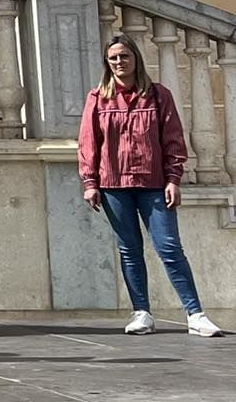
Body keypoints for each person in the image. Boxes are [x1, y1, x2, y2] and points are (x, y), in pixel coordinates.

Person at [78, 35, 223, 338]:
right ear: (107, 62)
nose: (119, 62)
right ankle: (141, 312)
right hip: (113, 186)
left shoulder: (158, 95)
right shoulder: (98, 97)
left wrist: (173, 179)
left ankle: (195, 314)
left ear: (136, 58)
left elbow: (173, 139)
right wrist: (90, 182)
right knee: (129, 250)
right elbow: (88, 143)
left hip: (154, 183)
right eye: (113, 57)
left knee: (169, 247)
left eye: (124, 56)